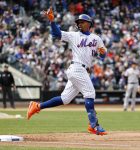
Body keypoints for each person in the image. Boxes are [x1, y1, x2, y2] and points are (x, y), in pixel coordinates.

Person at [27, 7, 107, 135]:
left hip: (81, 70)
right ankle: (94, 125)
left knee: (65, 99)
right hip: (77, 68)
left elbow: (103, 55)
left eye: (82, 21)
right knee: (90, 93)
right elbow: (57, 34)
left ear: (89, 24)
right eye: (78, 22)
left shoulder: (96, 38)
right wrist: (52, 21)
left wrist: (103, 53)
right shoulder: (74, 35)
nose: (79, 23)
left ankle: (37, 106)